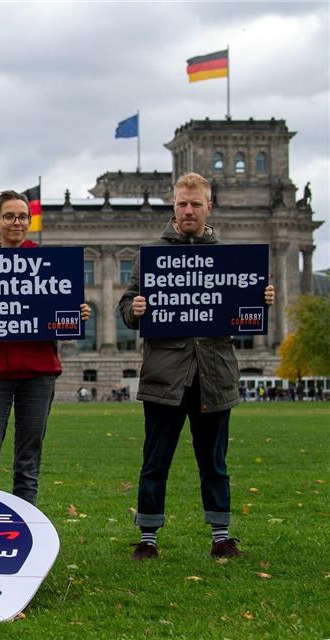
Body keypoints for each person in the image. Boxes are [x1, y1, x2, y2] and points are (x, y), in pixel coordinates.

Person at [119, 172, 275, 561]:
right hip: (165, 374)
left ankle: (221, 535)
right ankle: (148, 538)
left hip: (214, 373)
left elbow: (244, 312)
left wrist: (262, 299)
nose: (188, 210)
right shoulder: (150, 255)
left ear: (209, 206)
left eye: (195, 204)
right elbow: (126, 307)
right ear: (174, 206)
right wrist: (135, 310)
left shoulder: (232, 258)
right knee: (154, 461)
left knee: (214, 462)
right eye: (182, 204)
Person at [0, 190, 91, 506]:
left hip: (38, 374)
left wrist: (76, 314)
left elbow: (61, 314)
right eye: (9, 216)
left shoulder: (49, 263)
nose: (17, 222)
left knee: (28, 462)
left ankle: (27, 528)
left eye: (23, 216)